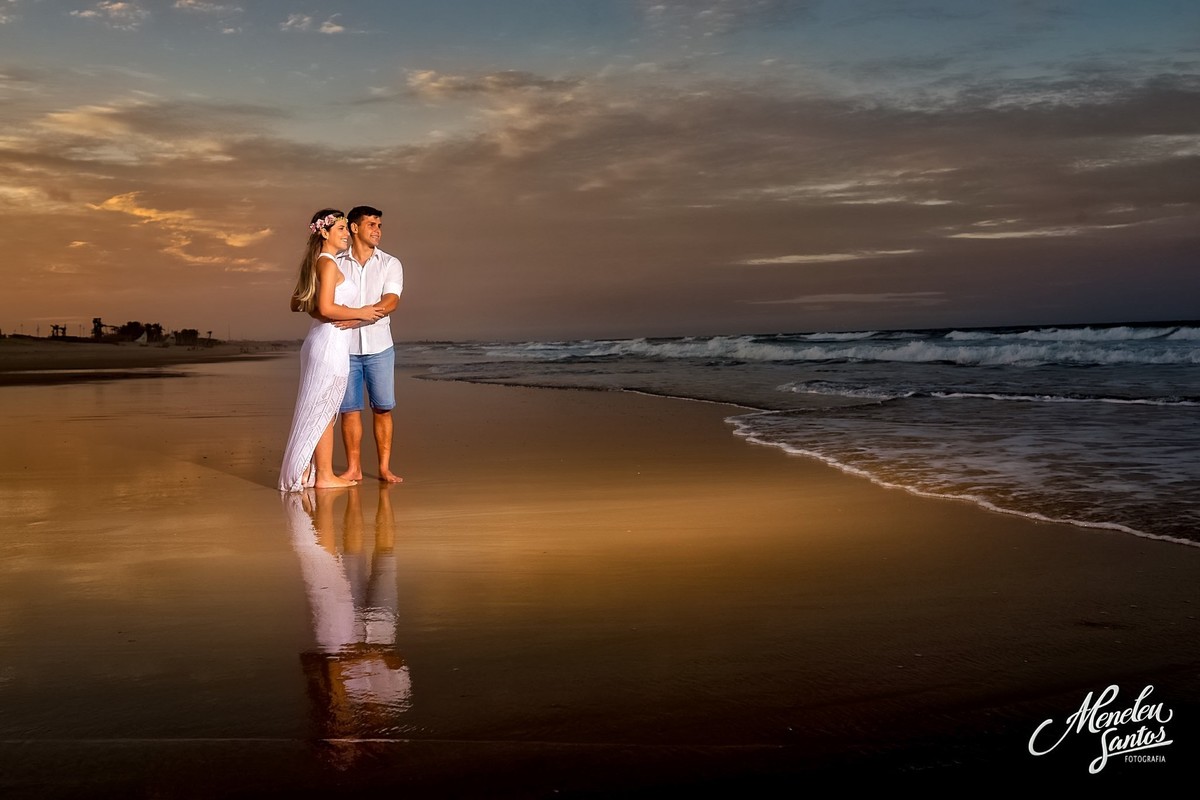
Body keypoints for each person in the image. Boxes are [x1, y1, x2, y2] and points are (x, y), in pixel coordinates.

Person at [279, 209, 387, 492]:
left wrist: (324, 313)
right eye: (340, 229)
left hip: (325, 341)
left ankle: (313, 472)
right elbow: (325, 307)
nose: (346, 234)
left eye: (346, 229)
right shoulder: (327, 264)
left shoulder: (319, 262)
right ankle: (324, 475)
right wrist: (361, 312)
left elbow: (300, 303)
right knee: (324, 410)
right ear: (324, 232)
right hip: (329, 344)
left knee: (323, 409)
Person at [334, 205, 405, 483]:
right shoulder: (336, 262)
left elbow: (392, 301)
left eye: (379, 226)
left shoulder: (390, 263)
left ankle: (384, 468)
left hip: (380, 348)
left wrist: (360, 317)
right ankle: (354, 468)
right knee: (349, 410)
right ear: (354, 228)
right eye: (371, 225)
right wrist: (355, 317)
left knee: (383, 408)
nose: (377, 230)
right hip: (345, 347)